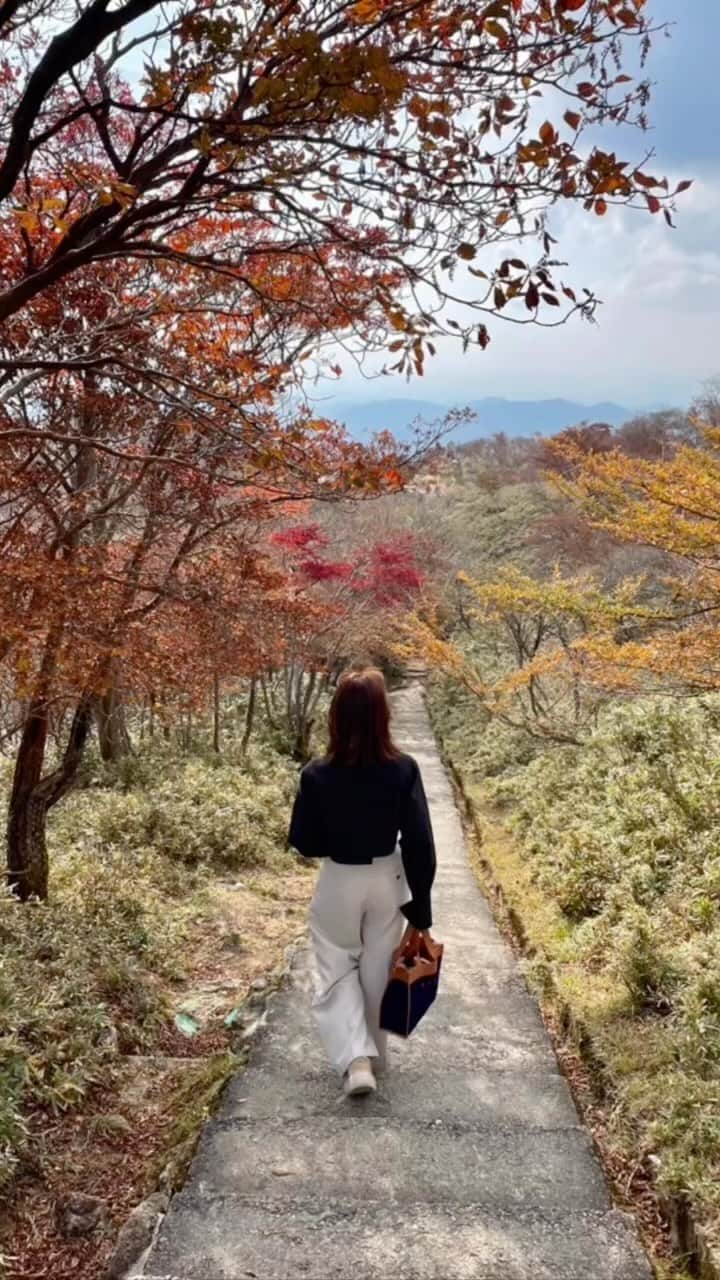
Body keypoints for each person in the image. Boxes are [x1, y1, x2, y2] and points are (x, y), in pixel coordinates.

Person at [288, 666, 436, 1097]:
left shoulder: (317, 774)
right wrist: (421, 909)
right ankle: (376, 1055)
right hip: (386, 878)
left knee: (336, 965)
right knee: (377, 967)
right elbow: (420, 841)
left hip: (339, 877)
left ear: (337, 715)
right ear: (381, 715)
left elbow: (304, 841)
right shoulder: (404, 769)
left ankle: (356, 1060)